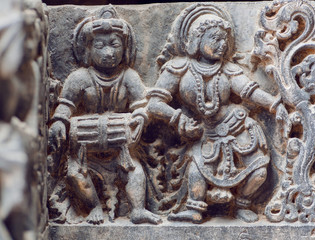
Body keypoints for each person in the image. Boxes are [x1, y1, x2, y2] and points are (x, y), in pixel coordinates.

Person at [148, 3, 288, 223]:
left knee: (259, 171)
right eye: (215, 39)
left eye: (225, 40)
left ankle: (242, 203)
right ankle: (195, 209)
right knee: (196, 173)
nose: (221, 45)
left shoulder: (227, 68)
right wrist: (177, 118)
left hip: (235, 125)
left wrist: (274, 104)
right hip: (200, 132)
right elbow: (154, 103)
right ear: (196, 40)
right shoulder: (178, 67)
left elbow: (248, 91)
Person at [48, 6, 161, 225]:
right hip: (85, 150)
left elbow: (141, 106)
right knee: (74, 174)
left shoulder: (129, 76)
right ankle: (93, 207)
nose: (108, 52)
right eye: (99, 46)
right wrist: (59, 122)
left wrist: (140, 118)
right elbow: (65, 107)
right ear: (87, 49)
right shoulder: (79, 78)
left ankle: (137, 210)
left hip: (121, 149)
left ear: (125, 49)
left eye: (114, 45)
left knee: (135, 171)